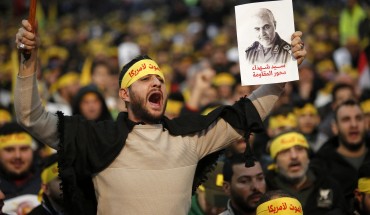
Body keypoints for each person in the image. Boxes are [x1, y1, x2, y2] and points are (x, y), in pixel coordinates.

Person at [14, 19, 306, 214]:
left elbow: (249, 112)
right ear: (124, 95)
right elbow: (30, 116)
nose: (156, 83)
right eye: (144, 80)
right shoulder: (95, 138)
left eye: (159, 79)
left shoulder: (190, 138)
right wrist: (28, 61)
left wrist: (282, 70)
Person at [265, 130, 348, 214]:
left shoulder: (329, 185)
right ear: (275, 162)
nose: (294, 156)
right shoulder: (266, 191)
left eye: (299, 149)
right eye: (285, 151)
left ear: (308, 157)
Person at [315, 99, 370, 205]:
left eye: (358, 118)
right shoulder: (321, 165)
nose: (354, 124)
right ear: (335, 127)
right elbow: (324, 208)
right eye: (346, 119)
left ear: (366, 123)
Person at [0, 122, 41, 214]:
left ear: (33, 151)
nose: (17, 156)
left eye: (24, 149)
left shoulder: (48, 184)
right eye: (9, 150)